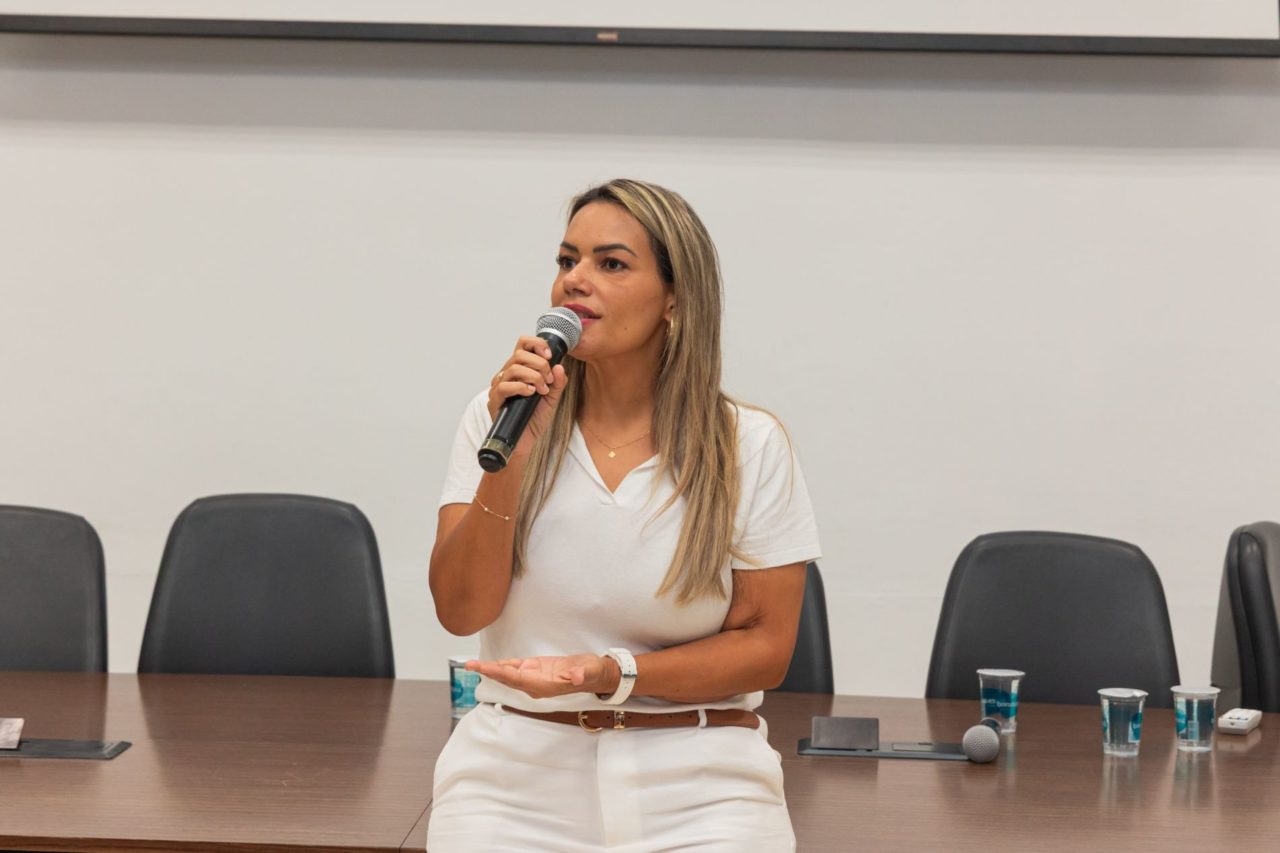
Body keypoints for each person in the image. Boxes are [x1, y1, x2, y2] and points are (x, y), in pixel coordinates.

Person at [428, 178, 821, 852]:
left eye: (610, 263)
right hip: (514, 773)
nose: (574, 281)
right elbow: (461, 610)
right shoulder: (496, 420)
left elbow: (767, 649)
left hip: (702, 777)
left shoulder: (747, 444)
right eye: (567, 260)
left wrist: (616, 674)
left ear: (675, 299)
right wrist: (512, 459)